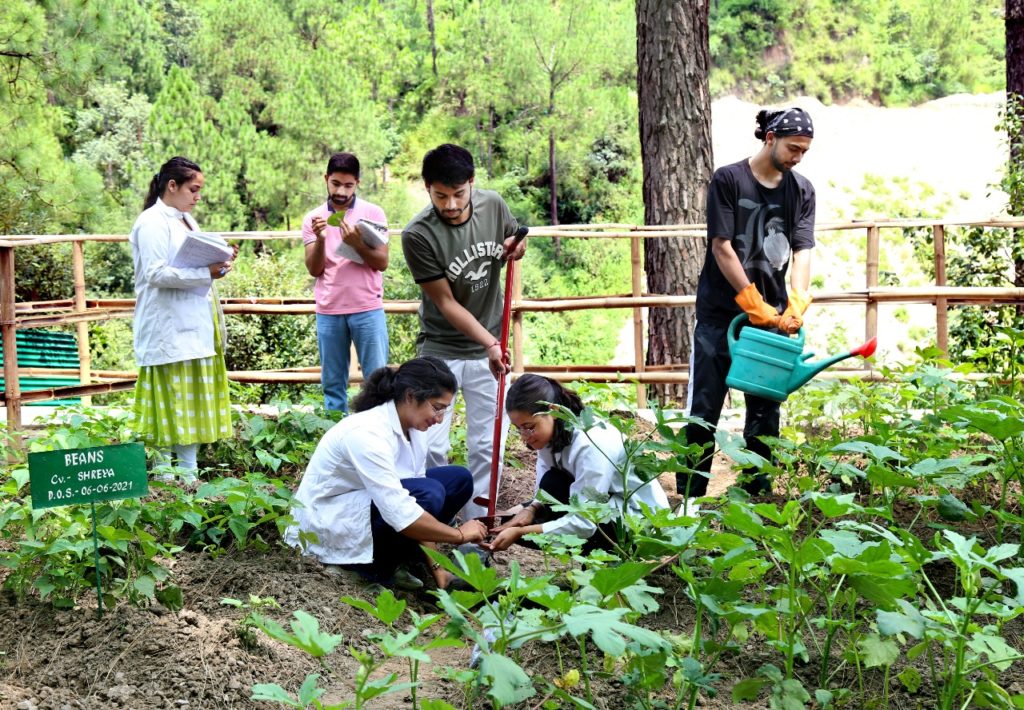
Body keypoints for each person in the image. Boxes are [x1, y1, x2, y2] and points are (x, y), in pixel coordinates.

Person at [676, 107, 816, 507]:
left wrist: (796, 302)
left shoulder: (802, 190)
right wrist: (750, 300)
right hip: (723, 315)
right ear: (770, 138)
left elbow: (803, 249)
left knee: (764, 415)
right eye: (793, 148)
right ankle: (688, 501)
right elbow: (722, 247)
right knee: (704, 409)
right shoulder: (729, 180)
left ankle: (758, 501)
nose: (797, 158)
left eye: (804, 151)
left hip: (771, 321)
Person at [284, 357, 488, 590]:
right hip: (329, 523)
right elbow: (402, 512)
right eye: (437, 407)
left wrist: (437, 570)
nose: (439, 419)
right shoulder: (367, 433)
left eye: (444, 410)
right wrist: (459, 535)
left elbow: (414, 506)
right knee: (429, 492)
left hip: (369, 506)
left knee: (457, 480)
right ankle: (368, 570)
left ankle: (401, 560)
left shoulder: (415, 428)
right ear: (410, 396)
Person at [401, 144, 527, 520]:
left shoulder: (494, 205)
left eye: (458, 194)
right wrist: (489, 342)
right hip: (442, 349)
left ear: (472, 183)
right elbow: (446, 303)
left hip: (490, 345)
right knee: (430, 442)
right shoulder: (418, 235)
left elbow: (513, 242)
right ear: (428, 189)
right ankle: (436, 520)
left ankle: (477, 523)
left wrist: (516, 248)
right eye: (441, 196)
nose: (451, 204)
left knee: (489, 445)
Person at [129, 156, 236, 483]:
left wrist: (220, 261)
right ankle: (162, 485)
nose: (197, 196)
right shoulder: (151, 222)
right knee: (167, 410)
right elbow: (156, 272)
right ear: (171, 186)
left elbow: (192, 262)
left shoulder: (186, 220)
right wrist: (205, 271)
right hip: (167, 330)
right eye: (193, 188)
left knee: (190, 412)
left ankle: (189, 481)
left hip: (193, 328)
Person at [485, 374, 670, 553]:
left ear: (554, 411)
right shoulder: (549, 436)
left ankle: (608, 559)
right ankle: (593, 558)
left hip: (639, 522)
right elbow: (547, 492)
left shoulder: (591, 444)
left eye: (529, 427)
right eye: (519, 429)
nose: (525, 437)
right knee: (523, 512)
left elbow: (585, 521)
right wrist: (530, 510)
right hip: (603, 502)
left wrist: (520, 531)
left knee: (524, 530)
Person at [303, 152, 389, 413]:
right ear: (326, 179)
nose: (341, 191)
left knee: (377, 381)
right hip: (329, 309)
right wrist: (319, 238)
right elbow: (314, 269)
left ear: (358, 183)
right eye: (336, 183)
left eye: (348, 185)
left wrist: (357, 244)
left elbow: (382, 262)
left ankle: (376, 436)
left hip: (367, 307)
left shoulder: (373, 212)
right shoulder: (313, 218)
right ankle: (336, 440)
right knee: (332, 384)